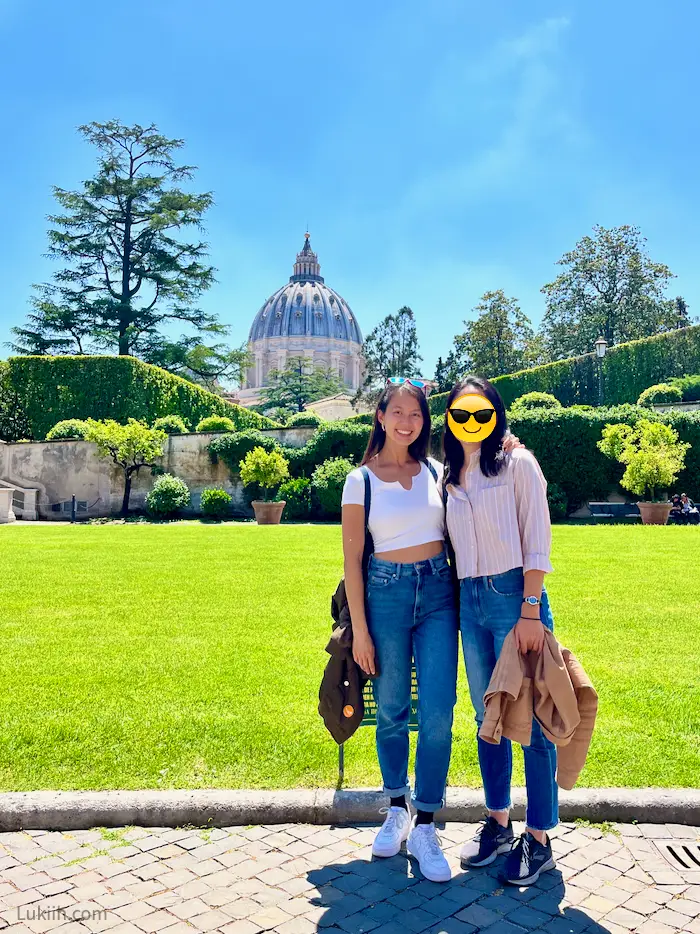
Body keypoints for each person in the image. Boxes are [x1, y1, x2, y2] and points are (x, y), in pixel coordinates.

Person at [340, 377, 457, 883]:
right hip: (384, 594)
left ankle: (427, 819)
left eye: (417, 414)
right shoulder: (359, 480)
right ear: (381, 417)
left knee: (437, 711)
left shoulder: (438, 471)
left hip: (438, 593)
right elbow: (350, 561)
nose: (408, 422)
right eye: (398, 413)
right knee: (391, 707)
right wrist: (360, 631)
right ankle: (395, 806)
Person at [443, 375, 558, 887]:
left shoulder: (518, 464)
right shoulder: (451, 474)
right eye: (461, 413)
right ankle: (497, 822)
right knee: (486, 715)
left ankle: (538, 838)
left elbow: (537, 538)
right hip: (469, 600)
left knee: (531, 720)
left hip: (515, 598)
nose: (471, 422)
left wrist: (531, 609)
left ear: (495, 414)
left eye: (479, 412)